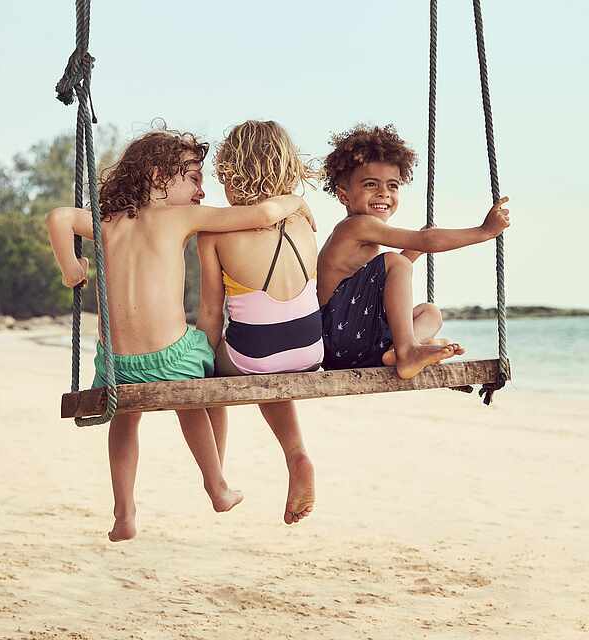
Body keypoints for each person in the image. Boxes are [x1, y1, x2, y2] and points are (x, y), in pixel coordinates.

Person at [47, 126, 314, 541]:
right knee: (201, 389)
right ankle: (216, 483)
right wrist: (296, 200)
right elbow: (261, 215)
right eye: (193, 177)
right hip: (172, 357)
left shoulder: (106, 222)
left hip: (115, 365)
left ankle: (124, 512)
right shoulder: (181, 217)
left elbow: (59, 217)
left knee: (124, 420)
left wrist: (71, 269)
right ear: (158, 177)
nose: (202, 191)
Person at [197, 121, 320, 524]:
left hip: (254, 354)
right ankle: (297, 454)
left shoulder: (214, 232)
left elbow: (212, 314)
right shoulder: (303, 222)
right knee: (275, 360)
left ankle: (216, 477)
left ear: (231, 172)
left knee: (213, 376)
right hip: (310, 349)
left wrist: (201, 362)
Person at [317, 123, 510, 378]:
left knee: (430, 312)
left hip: (355, 341)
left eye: (393, 186)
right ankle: (408, 352)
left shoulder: (365, 237)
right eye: (371, 184)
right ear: (344, 195)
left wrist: (413, 250)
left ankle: (400, 351)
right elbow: (423, 243)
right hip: (339, 340)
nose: (384, 193)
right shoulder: (356, 226)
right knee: (395, 262)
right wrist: (485, 231)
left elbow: (390, 281)